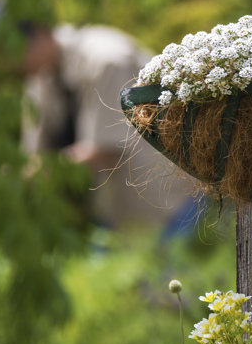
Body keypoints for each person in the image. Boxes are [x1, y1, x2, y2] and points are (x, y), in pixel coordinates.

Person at [21, 22, 198, 230]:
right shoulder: (41, 76)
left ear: (40, 35)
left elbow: (103, 151)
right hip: (111, 210)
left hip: (167, 205)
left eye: (13, 49)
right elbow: (32, 151)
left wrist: (33, 174)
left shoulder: (106, 60)